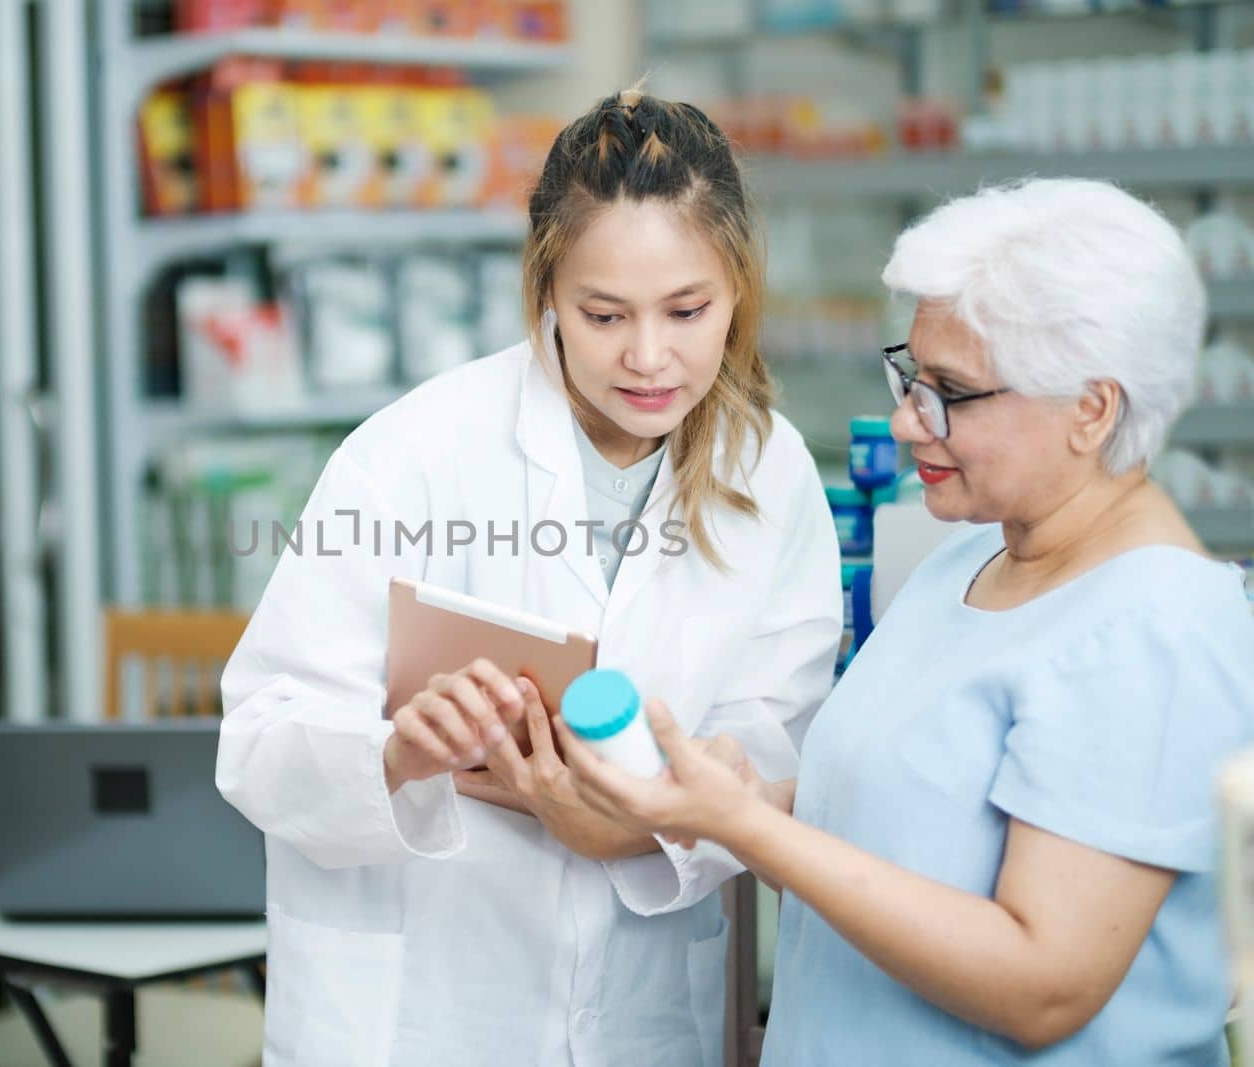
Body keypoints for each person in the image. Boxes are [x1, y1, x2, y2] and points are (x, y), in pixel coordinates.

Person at [560, 177, 1254, 1065]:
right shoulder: (964, 560)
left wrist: (748, 827)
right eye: (910, 375)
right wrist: (739, 799)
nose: (905, 419)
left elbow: (1046, 983)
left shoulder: (1154, 627)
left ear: (1092, 408)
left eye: (951, 392)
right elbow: (899, 840)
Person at [215, 88, 842, 1067]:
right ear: (546, 289)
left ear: (738, 292)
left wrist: (638, 828)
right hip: (430, 1011)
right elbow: (259, 736)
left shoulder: (770, 470)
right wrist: (395, 753)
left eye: (687, 310)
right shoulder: (410, 452)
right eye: (603, 314)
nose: (648, 356)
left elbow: (784, 742)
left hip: (645, 1010)